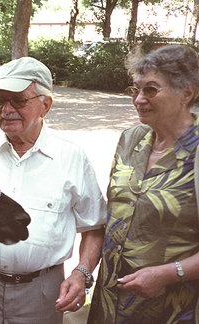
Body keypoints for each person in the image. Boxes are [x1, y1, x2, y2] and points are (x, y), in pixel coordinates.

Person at [0, 57, 106, 323]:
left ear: (45, 105)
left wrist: (81, 273)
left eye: (19, 100)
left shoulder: (71, 158)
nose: (7, 109)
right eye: (0, 100)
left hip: (41, 295)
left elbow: (94, 226)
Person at [87, 45, 199, 323]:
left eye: (150, 90)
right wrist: (82, 271)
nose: (138, 99)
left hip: (168, 308)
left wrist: (168, 274)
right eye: (134, 89)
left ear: (187, 93)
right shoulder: (131, 139)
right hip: (109, 302)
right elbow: (113, 216)